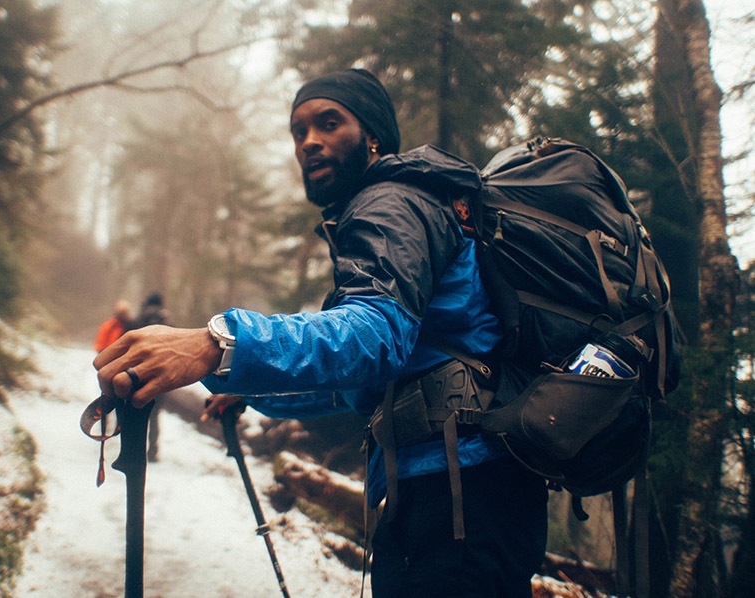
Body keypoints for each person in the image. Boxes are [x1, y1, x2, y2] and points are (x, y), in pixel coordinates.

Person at [94, 69, 548, 596]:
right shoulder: (403, 205)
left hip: (458, 496)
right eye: (298, 131)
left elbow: (376, 336)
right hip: (460, 489)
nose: (309, 142)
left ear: (373, 136)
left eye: (328, 123)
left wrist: (217, 344)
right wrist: (251, 386)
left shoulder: (390, 205)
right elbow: (358, 383)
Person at [134, 292, 171, 462]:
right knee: (154, 415)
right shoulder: (166, 321)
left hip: (138, 373)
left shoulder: (139, 319)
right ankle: (153, 451)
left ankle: (134, 450)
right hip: (159, 375)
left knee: (136, 413)